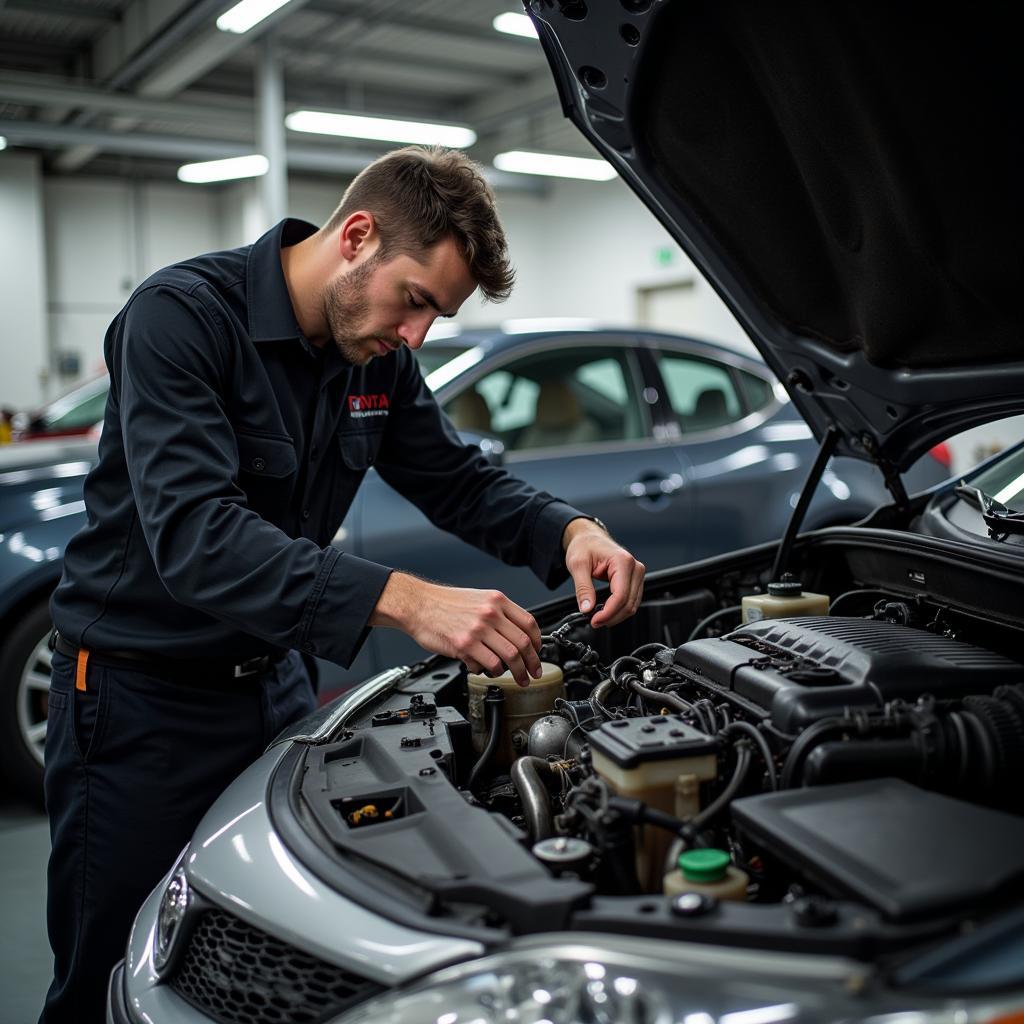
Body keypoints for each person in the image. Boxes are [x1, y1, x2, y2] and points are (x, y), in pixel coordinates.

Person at [40, 146, 645, 1023]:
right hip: (136, 707)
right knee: (108, 979)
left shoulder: (377, 359)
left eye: (436, 317)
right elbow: (197, 538)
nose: (417, 338)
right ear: (357, 236)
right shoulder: (180, 320)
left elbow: (459, 480)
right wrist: (407, 600)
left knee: (262, 966)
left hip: (277, 689)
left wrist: (571, 531)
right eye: (418, 302)